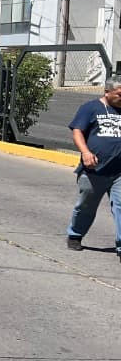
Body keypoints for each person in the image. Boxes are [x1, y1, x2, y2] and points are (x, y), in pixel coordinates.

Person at [67, 80, 121, 259]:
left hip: (119, 171)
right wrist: (85, 152)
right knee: (86, 206)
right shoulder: (90, 108)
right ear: (107, 92)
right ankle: (75, 234)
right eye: (119, 94)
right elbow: (77, 131)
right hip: (94, 170)